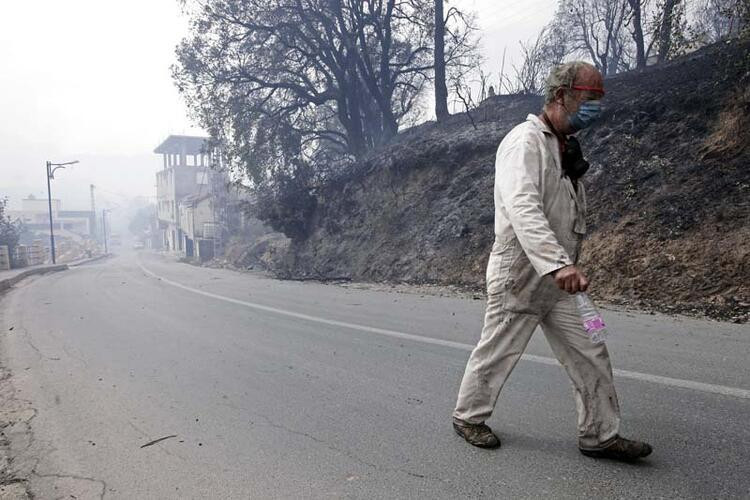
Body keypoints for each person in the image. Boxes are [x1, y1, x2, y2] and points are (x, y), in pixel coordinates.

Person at [452, 61, 653, 461]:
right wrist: (556, 264)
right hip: (523, 272)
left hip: (559, 278)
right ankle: (468, 416)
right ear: (561, 96)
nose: (593, 109)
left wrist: (565, 263)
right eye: (587, 100)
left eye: (598, 101)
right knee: (498, 350)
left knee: (591, 348)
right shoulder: (524, 142)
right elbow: (523, 207)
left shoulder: (563, 146)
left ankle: (600, 434)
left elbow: (565, 212)